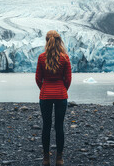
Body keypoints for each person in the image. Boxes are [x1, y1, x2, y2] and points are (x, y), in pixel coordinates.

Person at [35, 30, 72, 166]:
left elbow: (38, 79)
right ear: (59, 41)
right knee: (59, 126)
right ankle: (59, 159)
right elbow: (68, 79)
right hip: (60, 95)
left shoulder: (41, 57)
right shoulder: (65, 58)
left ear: (47, 41)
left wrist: (45, 89)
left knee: (46, 126)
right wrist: (62, 90)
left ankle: (46, 159)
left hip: (45, 95)